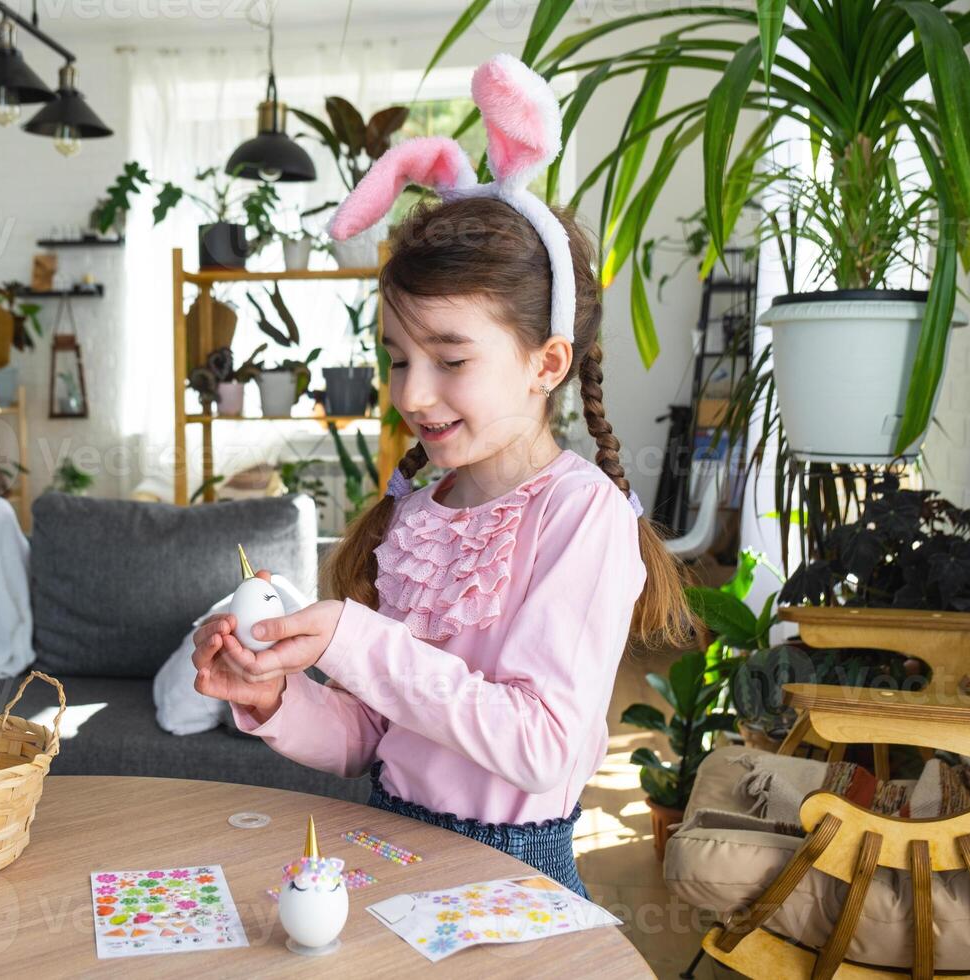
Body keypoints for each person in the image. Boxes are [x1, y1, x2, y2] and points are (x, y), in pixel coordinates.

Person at [191, 54, 695, 898]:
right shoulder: (421, 514)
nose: (411, 394)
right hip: (386, 850)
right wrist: (275, 694)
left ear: (547, 363)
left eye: (450, 359)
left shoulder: (582, 517)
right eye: (396, 359)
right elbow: (371, 735)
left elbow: (540, 743)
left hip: (509, 877)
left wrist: (355, 638)